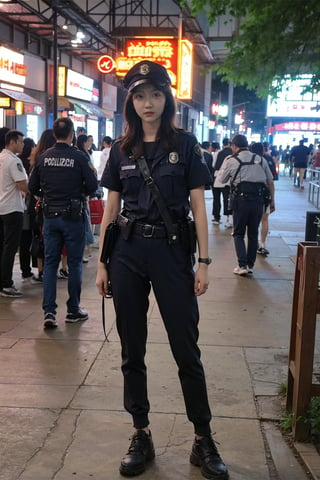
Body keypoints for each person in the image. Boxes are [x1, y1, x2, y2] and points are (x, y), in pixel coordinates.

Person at [96, 60, 228, 480]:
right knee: (131, 350)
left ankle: (203, 439)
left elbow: (198, 206)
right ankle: (141, 432)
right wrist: (102, 262)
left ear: (167, 98)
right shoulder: (120, 150)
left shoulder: (186, 145)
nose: (147, 103)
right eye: (138, 95)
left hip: (172, 255)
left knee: (185, 349)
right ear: (130, 102)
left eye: (154, 94)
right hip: (127, 254)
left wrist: (204, 262)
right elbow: (111, 210)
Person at [28, 117, 98, 329]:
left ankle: (49, 311)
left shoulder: (43, 157)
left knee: (50, 264)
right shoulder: (78, 157)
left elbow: (32, 186)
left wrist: (46, 196)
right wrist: (79, 193)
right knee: (75, 263)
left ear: (55, 134)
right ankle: (73, 309)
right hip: (73, 216)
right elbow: (93, 185)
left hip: (50, 217)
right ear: (71, 135)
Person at [219, 134, 275, 275]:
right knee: (253, 232)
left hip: (240, 201)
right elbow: (270, 181)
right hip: (258, 201)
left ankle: (242, 265)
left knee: (238, 233)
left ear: (234, 146)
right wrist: (272, 201)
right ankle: (250, 265)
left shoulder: (232, 160)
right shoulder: (260, 160)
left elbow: (222, 179)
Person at [0, 130, 28, 297]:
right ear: (12, 142)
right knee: (10, 247)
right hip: (12, 208)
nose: (23, 145)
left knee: (2, 246)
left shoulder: (1, 158)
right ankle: (6, 284)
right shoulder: (13, 160)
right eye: (21, 142)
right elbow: (22, 185)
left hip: (1, 207)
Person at [18, 137, 37, 281]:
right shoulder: (23, 164)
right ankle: (26, 269)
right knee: (26, 238)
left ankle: (26, 268)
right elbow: (26, 187)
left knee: (25, 239)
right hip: (25, 206)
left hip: (24, 206)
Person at [251, 142, 274, 256]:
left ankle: (253, 243)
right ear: (262, 151)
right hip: (263, 195)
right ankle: (262, 244)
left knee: (251, 222)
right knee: (264, 219)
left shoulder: (245, 160)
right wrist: (272, 200)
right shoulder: (264, 160)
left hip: (248, 196)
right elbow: (271, 181)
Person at [212, 138, 233, 227]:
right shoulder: (233, 154)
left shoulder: (218, 153)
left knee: (216, 199)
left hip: (217, 178)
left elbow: (214, 165)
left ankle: (217, 217)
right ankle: (229, 218)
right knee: (227, 199)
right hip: (227, 180)